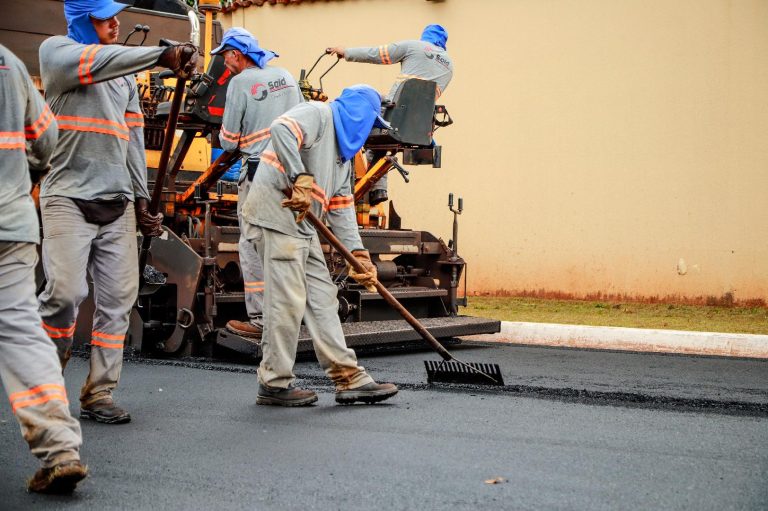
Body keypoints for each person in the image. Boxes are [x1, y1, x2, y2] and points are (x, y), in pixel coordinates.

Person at [37, 0, 198, 424]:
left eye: (116, 15)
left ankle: (100, 393)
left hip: (117, 203)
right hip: (67, 199)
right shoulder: (58, 54)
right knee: (64, 296)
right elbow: (95, 60)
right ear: (81, 21)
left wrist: (142, 199)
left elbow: (130, 140)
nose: (116, 22)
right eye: (105, 16)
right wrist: (163, 55)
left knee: (118, 303)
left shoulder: (124, 77)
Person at [241, 85, 398, 406]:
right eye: (370, 124)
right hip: (275, 214)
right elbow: (281, 128)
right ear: (358, 114)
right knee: (287, 300)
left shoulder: (343, 156)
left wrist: (358, 255)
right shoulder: (319, 114)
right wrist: (298, 175)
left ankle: (348, 377)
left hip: (301, 226)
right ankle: (273, 382)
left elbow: (341, 208)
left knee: (323, 298)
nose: (369, 133)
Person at [0, 44, 87, 494]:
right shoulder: (9, 62)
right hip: (12, 223)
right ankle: (59, 449)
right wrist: (25, 173)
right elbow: (46, 136)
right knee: (20, 331)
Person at [211, 28, 303, 339]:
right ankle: (292, 314)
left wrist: (224, 136)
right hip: (292, 176)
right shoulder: (287, 77)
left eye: (225, 56)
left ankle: (262, 319)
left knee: (250, 243)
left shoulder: (239, 83)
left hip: (258, 173)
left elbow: (228, 141)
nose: (224, 63)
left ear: (236, 54)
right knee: (285, 242)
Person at [328, 24, 453, 206]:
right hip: (417, 126)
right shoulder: (449, 66)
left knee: (360, 97)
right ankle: (379, 189)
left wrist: (346, 52)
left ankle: (348, 174)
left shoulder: (414, 47)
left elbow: (376, 54)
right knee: (378, 144)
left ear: (424, 37)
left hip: (392, 114)